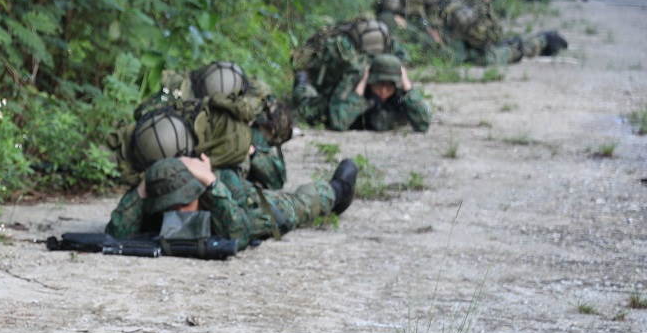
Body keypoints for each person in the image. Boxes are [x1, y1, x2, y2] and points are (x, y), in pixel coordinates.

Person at [106, 154, 357, 247]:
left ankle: (337, 190)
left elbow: (238, 232)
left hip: (240, 203)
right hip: (219, 190)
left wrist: (210, 181)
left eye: (185, 201)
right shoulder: (157, 207)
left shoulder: (213, 197)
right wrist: (144, 186)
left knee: (291, 208)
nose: (180, 210)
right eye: (171, 205)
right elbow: (116, 233)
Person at [327, 55, 431, 132]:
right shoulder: (358, 86)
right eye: (378, 85)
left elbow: (423, 125)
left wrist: (407, 87)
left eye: (389, 86)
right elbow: (339, 123)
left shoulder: (401, 93)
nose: (383, 91)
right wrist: (360, 88)